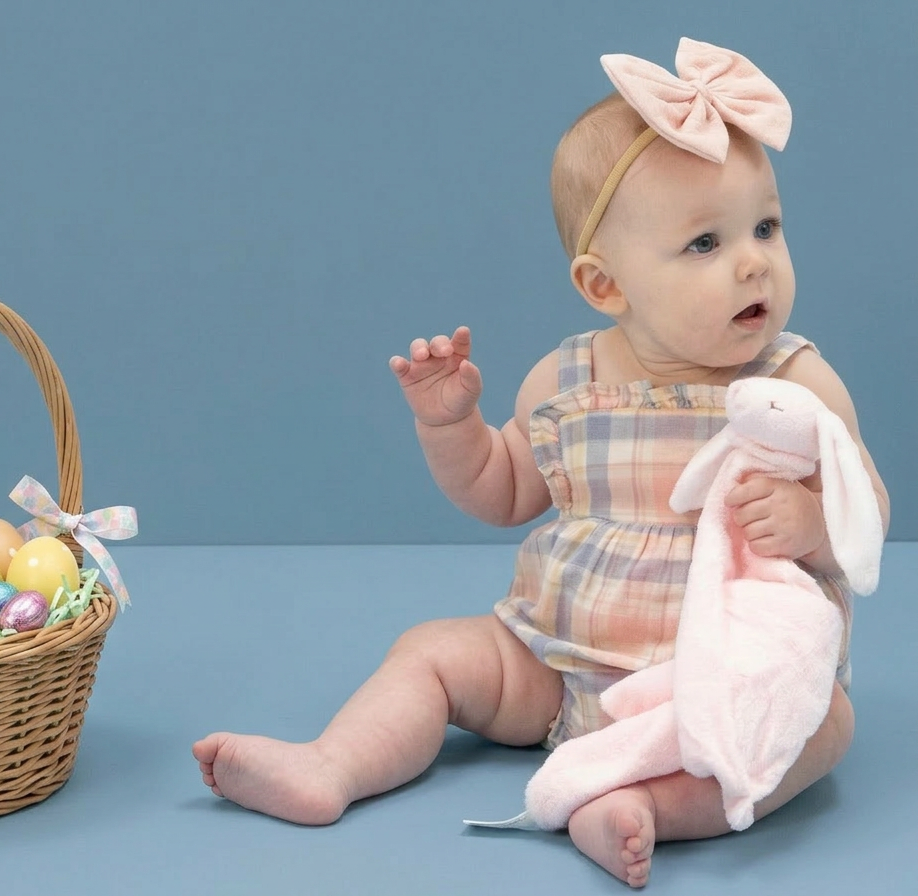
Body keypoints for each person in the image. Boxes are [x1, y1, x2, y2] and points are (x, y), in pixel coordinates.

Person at [193, 37, 890, 887]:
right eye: (704, 243)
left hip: (714, 683)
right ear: (605, 286)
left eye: (766, 226)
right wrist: (453, 429)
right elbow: (505, 489)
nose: (754, 260)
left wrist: (813, 524)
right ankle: (333, 765)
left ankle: (643, 807)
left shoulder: (795, 380)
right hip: (554, 658)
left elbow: (866, 513)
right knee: (434, 652)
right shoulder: (566, 379)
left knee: (824, 726)